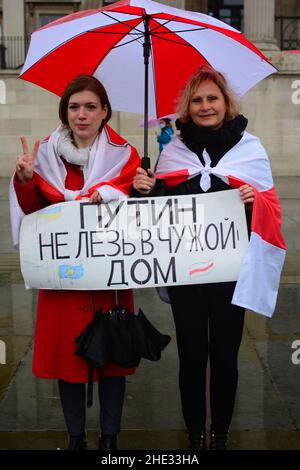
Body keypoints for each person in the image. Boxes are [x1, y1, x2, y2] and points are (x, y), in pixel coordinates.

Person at [132, 65, 284, 450]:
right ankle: (195, 430)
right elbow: (156, 217)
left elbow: (270, 207)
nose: (204, 106)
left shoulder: (250, 148)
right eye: (197, 100)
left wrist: (253, 202)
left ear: (226, 102)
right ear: (187, 106)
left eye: (211, 98)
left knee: (226, 358)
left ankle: (220, 434)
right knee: (192, 357)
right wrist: (145, 191)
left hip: (232, 275)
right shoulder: (174, 151)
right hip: (188, 277)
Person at [10, 75, 141, 450]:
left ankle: (111, 438)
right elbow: (34, 212)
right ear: (64, 112)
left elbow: (139, 212)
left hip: (108, 280)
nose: (81, 115)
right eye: (73, 107)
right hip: (63, 280)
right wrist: (25, 178)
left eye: (89, 107)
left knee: (114, 360)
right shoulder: (44, 156)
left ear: (104, 113)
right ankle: (76, 437)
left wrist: (130, 190)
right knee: (68, 361)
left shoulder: (127, 156)